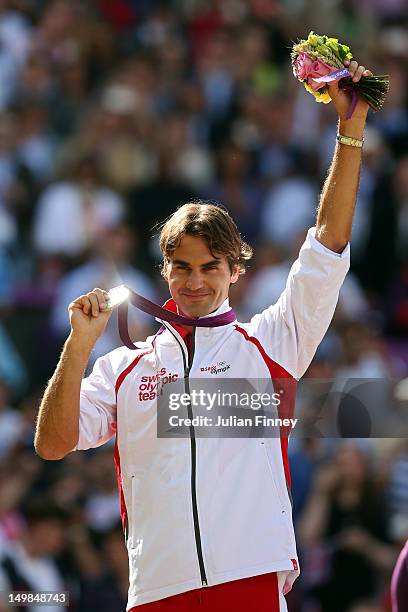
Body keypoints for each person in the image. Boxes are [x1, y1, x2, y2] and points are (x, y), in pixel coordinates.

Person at [35, 58, 372, 612]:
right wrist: (78, 346)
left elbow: (327, 244)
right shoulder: (123, 366)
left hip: (249, 579)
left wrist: (350, 132)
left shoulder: (272, 342)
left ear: (235, 271)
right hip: (157, 588)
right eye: (183, 267)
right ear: (165, 270)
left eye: (211, 266)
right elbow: (52, 445)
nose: (195, 281)